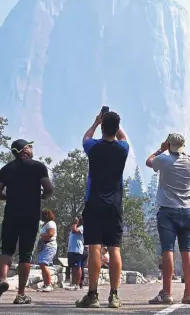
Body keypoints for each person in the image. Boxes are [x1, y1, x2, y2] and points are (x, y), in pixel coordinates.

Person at [0, 139, 53, 305]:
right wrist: (42, 196)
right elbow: (49, 189)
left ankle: (2, 279)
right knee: (25, 256)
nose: (31, 149)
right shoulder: (38, 167)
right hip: (31, 217)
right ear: (25, 150)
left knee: (6, 250)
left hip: (11, 215)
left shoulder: (6, 169)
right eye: (29, 146)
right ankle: (21, 294)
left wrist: (8, 197)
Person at [75, 110, 129, 309]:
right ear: (116, 127)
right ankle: (114, 296)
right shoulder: (123, 149)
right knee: (115, 249)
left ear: (103, 126)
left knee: (94, 249)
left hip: (94, 203)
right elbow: (123, 137)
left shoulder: (93, 147)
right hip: (114, 204)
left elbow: (86, 137)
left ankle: (92, 295)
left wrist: (96, 122)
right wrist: (113, 124)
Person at [145, 133, 190, 305]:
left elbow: (149, 161)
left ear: (169, 144)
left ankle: (167, 293)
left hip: (168, 211)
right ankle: (188, 293)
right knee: (186, 251)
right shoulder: (189, 161)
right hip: (187, 210)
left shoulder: (164, 160)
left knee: (168, 250)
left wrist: (161, 149)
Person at [36, 208, 57, 292]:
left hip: (49, 246)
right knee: (42, 265)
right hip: (44, 246)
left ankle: (49, 284)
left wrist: (40, 237)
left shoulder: (51, 223)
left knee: (44, 264)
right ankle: (45, 284)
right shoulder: (44, 224)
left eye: (43, 214)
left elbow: (50, 234)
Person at [66, 216, 84, 291]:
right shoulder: (76, 226)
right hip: (71, 250)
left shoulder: (82, 227)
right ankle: (73, 283)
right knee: (72, 267)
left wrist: (76, 223)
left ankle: (77, 284)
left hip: (77, 250)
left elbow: (74, 231)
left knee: (78, 267)